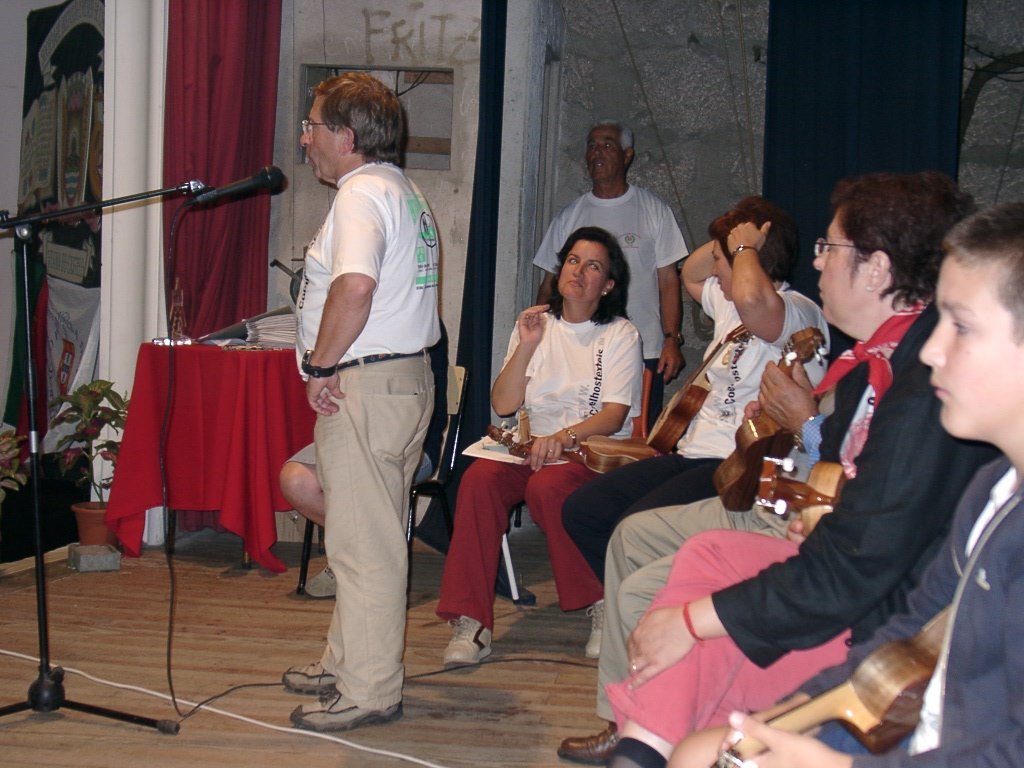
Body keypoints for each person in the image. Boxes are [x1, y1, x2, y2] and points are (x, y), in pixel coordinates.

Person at [555, 172, 997, 767]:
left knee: (660, 590)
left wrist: (698, 618)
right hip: (797, 514)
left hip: (848, 588)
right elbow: (851, 476)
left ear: (876, 268)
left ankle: (645, 740)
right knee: (659, 541)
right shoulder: (873, 362)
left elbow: (865, 557)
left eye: (829, 248)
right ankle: (640, 736)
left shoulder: (894, 369)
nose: (818, 262)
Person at [670, 201, 1024, 768]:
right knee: (698, 752)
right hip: (910, 723)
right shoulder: (993, 488)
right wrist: (798, 711)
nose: (932, 350)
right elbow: (909, 632)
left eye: (961, 326)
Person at [561, 196, 829, 659]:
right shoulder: (729, 304)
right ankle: (646, 612)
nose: (716, 271)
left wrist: (744, 249)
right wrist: (734, 233)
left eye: (725, 260)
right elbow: (691, 272)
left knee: (632, 526)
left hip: (737, 467)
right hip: (690, 455)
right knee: (584, 509)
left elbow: (754, 299)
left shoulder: (795, 309)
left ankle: (665, 628)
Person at [281, 72, 440, 733]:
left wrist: (320, 365)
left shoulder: (360, 194)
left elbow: (355, 288)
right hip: (400, 381)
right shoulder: (400, 189)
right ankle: (344, 664)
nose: (305, 137)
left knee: (362, 545)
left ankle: (370, 690)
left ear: (345, 137)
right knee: (364, 531)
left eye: (313, 125)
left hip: (365, 386)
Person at [437, 226, 643, 666]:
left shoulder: (620, 334)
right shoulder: (535, 325)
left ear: (608, 285)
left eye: (593, 266)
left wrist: (562, 439)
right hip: (530, 448)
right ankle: (472, 622)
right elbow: (503, 404)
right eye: (573, 260)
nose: (578, 271)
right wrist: (527, 346)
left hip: (591, 451)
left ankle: (601, 601)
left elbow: (614, 415)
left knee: (548, 487)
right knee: (479, 482)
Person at [534, 120, 688, 423]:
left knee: (634, 433)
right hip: (579, 349)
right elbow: (550, 283)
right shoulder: (569, 216)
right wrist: (538, 334)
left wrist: (671, 339)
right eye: (591, 146)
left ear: (627, 155)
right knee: (581, 428)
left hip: (643, 348)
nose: (597, 152)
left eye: (607, 145)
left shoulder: (653, 210)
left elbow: (669, 281)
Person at [280, 325, 449, 599]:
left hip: (408, 439)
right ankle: (358, 557)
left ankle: (363, 566)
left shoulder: (413, 324)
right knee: (296, 480)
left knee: (367, 480)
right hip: (352, 429)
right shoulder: (349, 323)